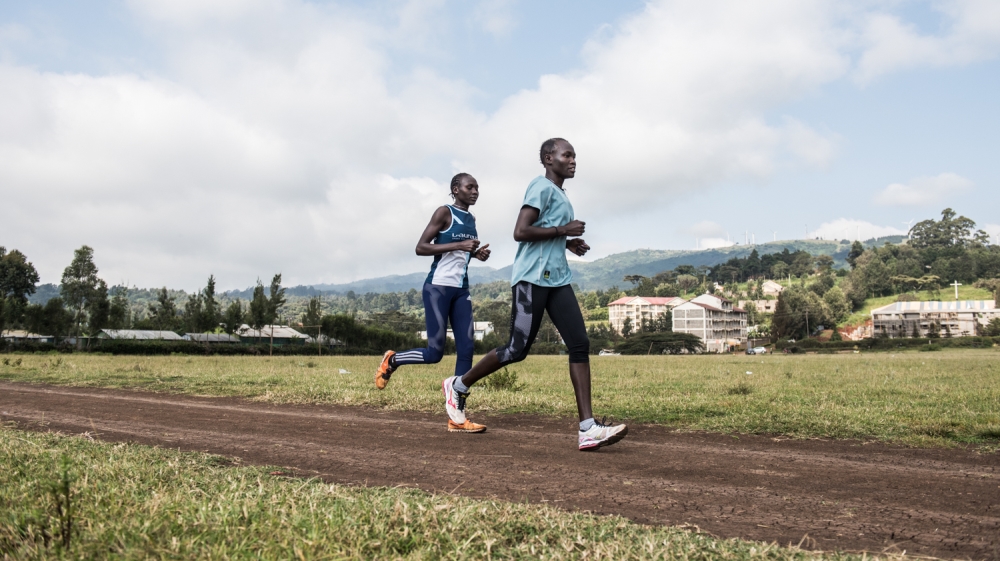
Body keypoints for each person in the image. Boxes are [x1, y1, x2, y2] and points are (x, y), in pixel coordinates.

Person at [442, 138, 628, 451]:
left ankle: (587, 428)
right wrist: (563, 231)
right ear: (548, 159)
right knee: (517, 349)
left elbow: (546, 232)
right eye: (567, 155)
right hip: (532, 279)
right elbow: (521, 231)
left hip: (557, 280)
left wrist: (567, 243)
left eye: (574, 156)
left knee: (579, 344)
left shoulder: (560, 193)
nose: (573, 160)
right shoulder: (540, 187)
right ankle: (458, 385)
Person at [374, 173, 491, 434]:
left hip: (461, 290)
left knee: (467, 349)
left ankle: (457, 417)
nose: (475, 191)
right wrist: (461, 244)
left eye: (477, 188)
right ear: (455, 189)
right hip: (437, 288)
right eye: (470, 187)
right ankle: (393, 360)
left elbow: (460, 254)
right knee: (434, 353)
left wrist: (476, 253)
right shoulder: (444, 213)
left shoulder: (471, 219)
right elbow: (421, 247)